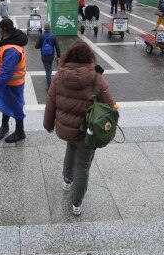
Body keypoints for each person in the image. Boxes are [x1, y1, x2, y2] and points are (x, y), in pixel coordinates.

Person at [43, 41, 117, 216]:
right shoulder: (96, 77)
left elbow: (50, 103)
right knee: (83, 166)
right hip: (88, 130)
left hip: (67, 128)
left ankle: (67, 180)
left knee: (71, 147)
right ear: (89, 57)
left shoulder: (59, 76)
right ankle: (76, 203)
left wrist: (48, 125)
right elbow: (110, 104)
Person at [0, 18, 28, 143]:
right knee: (7, 103)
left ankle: (20, 132)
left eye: (0, 29)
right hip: (8, 83)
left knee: (16, 106)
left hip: (12, 84)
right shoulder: (11, 39)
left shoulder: (12, 50)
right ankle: (4, 126)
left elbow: (6, 73)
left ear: (4, 29)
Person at [35, 23, 61, 88]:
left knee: (47, 71)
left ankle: (50, 86)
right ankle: (48, 79)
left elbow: (36, 46)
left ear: (44, 28)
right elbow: (57, 47)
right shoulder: (53, 36)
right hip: (51, 56)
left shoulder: (41, 36)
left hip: (44, 56)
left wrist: (41, 44)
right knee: (49, 67)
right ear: (50, 28)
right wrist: (58, 56)